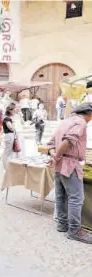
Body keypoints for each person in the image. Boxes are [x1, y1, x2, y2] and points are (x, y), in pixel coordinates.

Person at [47, 103, 92, 244]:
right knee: (76, 198)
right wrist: (56, 157)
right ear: (89, 114)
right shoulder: (80, 122)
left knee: (61, 196)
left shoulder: (65, 122)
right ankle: (74, 230)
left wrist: (55, 156)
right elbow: (69, 141)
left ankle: (62, 224)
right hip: (69, 164)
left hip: (61, 164)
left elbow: (50, 144)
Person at [2, 103, 16, 169]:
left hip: (9, 135)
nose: (14, 112)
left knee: (8, 152)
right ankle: (6, 168)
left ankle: (7, 167)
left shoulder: (7, 118)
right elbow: (10, 127)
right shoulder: (7, 118)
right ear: (10, 110)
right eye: (14, 110)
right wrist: (14, 128)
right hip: (9, 135)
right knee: (6, 153)